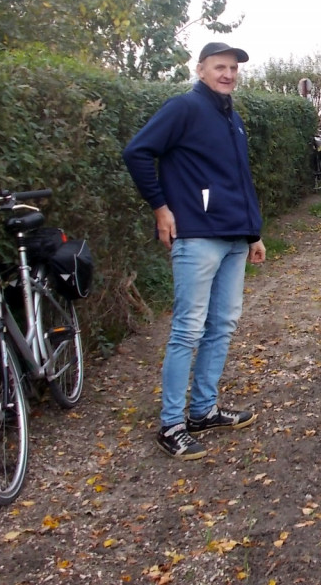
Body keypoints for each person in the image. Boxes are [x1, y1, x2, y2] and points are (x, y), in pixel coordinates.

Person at [123, 41, 267, 460]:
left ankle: (203, 411)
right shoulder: (183, 108)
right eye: (220, 66)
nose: (228, 73)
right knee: (188, 329)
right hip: (198, 237)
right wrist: (161, 208)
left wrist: (252, 233)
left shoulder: (232, 117)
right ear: (201, 69)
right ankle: (172, 425)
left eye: (234, 68)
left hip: (234, 238)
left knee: (222, 324)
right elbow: (137, 152)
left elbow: (238, 179)